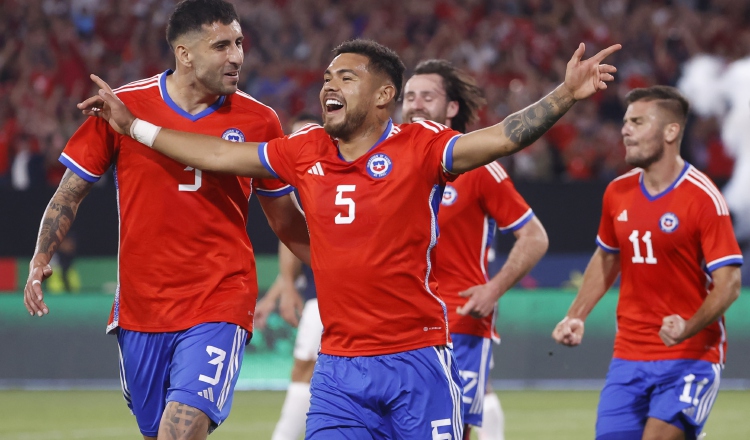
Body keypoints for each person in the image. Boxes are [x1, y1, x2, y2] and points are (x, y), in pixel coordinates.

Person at [80, 38, 620, 439]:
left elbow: (501, 138)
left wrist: (566, 95)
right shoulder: (304, 148)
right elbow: (219, 155)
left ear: (385, 95)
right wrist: (135, 129)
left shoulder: (422, 145)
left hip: (418, 359)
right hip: (338, 370)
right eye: (326, 78)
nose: (328, 86)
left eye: (346, 77)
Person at [22, 1, 310, 439]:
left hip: (220, 299)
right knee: (158, 432)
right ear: (184, 53)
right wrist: (41, 256)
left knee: (182, 429)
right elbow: (69, 192)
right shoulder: (123, 107)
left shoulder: (259, 120)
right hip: (142, 308)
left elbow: (285, 219)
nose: (236, 56)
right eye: (221, 45)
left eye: (239, 43)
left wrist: (338, 267)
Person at [552, 86, 743, 440]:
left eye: (638, 122)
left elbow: (729, 283)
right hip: (629, 354)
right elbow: (607, 257)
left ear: (671, 132)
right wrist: (576, 314)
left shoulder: (703, 198)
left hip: (691, 355)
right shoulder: (617, 193)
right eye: (625, 122)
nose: (625, 130)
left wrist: (688, 326)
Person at [402, 59, 549, 440]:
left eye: (427, 96)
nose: (416, 104)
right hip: (400, 319)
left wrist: (493, 289)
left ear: (451, 108)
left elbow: (534, 236)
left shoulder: (478, 167)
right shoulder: (389, 165)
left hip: (459, 320)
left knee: (456, 429)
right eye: (409, 96)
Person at [254, 113, 324, 440]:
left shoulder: (324, 180)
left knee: (306, 369)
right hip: (320, 294)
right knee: (307, 369)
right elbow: (293, 240)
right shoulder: (300, 184)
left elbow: (292, 237)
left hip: (333, 294)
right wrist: (276, 294)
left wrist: (285, 291)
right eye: (294, 137)